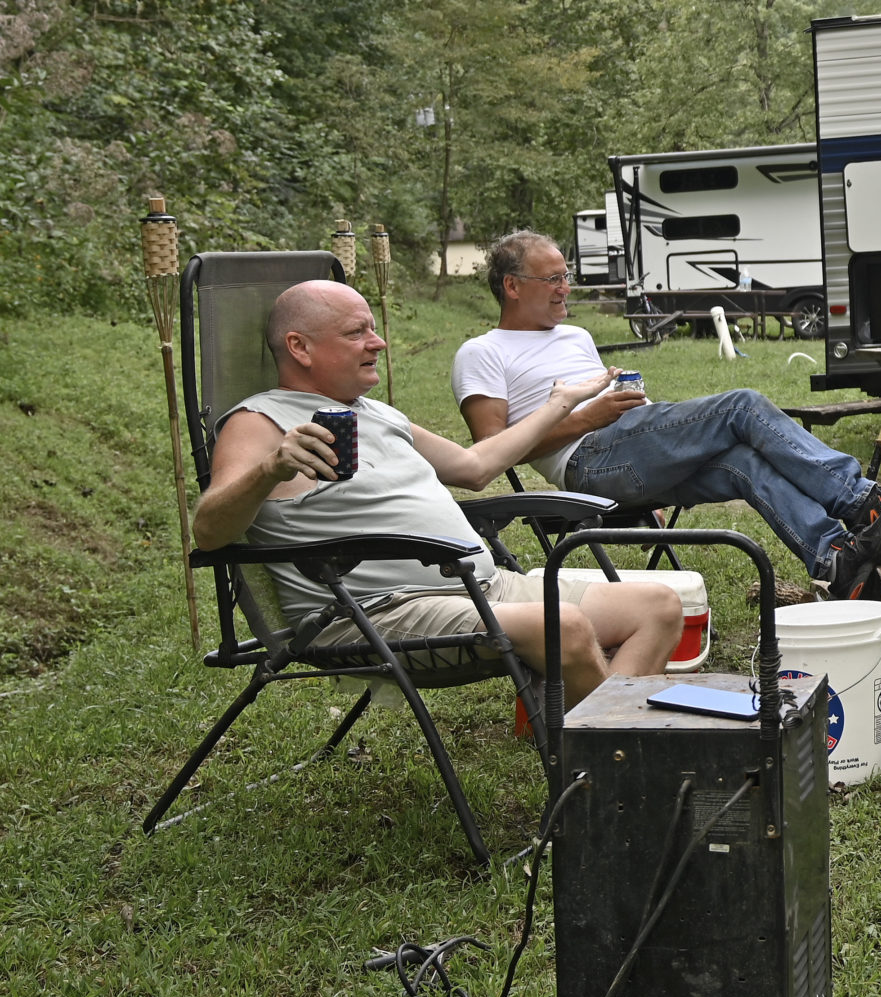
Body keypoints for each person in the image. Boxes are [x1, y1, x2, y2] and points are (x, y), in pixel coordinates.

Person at [193, 280, 682, 709]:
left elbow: (475, 467)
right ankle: (618, 760)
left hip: (481, 589)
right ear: (299, 346)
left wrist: (559, 405)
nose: (378, 341)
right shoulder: (259, 422)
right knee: (565, 625)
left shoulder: (377, 413)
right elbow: (210, 533)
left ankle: (588, 736)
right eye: (356, 332)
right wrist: (269, 469)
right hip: (376, 612)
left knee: (657, 607)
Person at [452, 231, 881, 596]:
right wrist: (589, 418)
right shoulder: (483, 352)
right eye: (552, 279)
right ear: (513, 286)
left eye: (565, 276)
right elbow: (491, 453)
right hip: (589, 463)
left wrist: (633, 421)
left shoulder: (575, 337)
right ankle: (862, 502)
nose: (565, 288)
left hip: (636, 451)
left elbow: (620, 413)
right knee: (741, 405)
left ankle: (834, 558)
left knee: (743, 462)